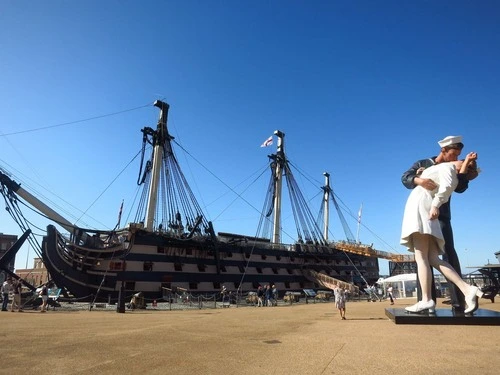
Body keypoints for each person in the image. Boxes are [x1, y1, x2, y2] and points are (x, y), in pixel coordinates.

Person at [401, 135, 478, 312]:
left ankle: (443, 301)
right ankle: (456, 293)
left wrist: (465, 168)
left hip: (431, 212)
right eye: (454, 154)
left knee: (433, 256)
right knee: (431, 258)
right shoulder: (426, 162)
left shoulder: (449, 167)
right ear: (443, 150)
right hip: (429, 210)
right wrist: (420, 179)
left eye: (459, 156)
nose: (456, 158)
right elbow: (406, 177)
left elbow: (457, 187)